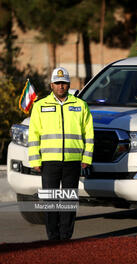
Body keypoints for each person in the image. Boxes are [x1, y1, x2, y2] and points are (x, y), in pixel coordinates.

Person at [28, 67, 94, 240]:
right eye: (57, 83)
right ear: (51, 85)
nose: (61, 86)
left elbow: (89, 134)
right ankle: (52, 236)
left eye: (64, 83)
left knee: (69, 201)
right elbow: (33, 134)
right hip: (48, 161)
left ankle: (66, 236)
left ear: (69, 84)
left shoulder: (80, 105)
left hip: (73, 161)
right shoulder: (40, 106)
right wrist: (35, 159)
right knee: (50, 201)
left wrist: (86, 158)